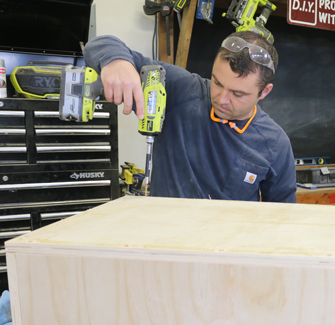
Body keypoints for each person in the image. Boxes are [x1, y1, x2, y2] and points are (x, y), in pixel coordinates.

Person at [83, 31, 297, 203]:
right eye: (217, 83)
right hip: (165, 243)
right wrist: (117, 62)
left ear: (265, 92)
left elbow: (282, 217)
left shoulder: (275, 144)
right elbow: (100, 44)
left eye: (238, 94)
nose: (222, 99)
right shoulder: (182, 90)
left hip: (225, 252)